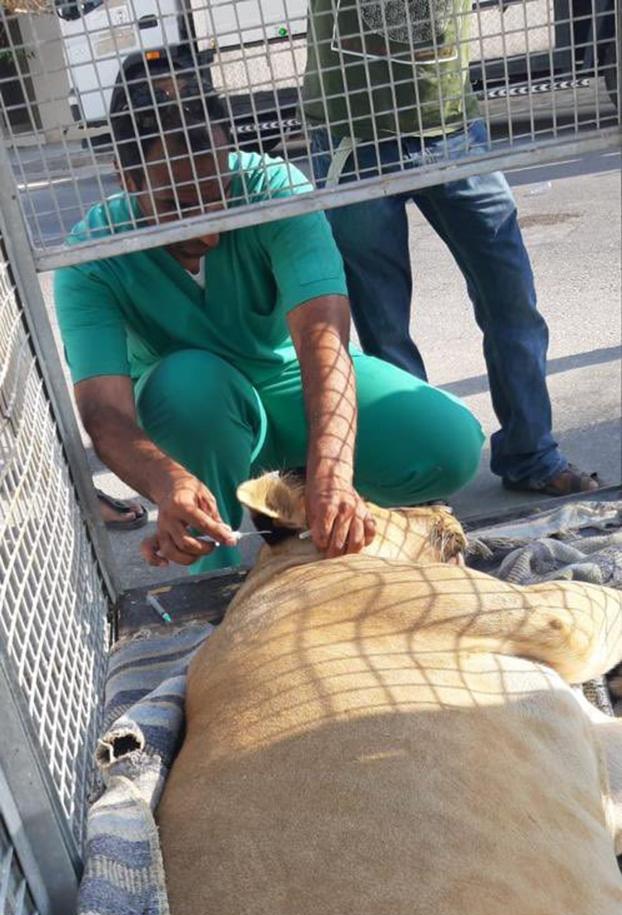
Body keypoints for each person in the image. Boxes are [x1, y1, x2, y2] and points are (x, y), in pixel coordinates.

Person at [54, 47, 483, 573]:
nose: (207, 227)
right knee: (187, 385)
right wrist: (169, 482)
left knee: (449, 447)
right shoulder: (92, 258)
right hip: (197, 417)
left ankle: (297, 489)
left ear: (228, 152)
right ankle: (214, 566)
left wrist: (331, 471)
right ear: (127, 177)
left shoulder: (273, 190)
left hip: (287, 379)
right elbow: (106, 414)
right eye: (176, 206)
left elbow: (322, 337)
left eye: (216, 191)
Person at [302, 0, 601, 497]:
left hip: (454, 130)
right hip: (354, 136)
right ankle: (421, 472)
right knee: (384, 326)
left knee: (511, 298)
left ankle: (531, 453)